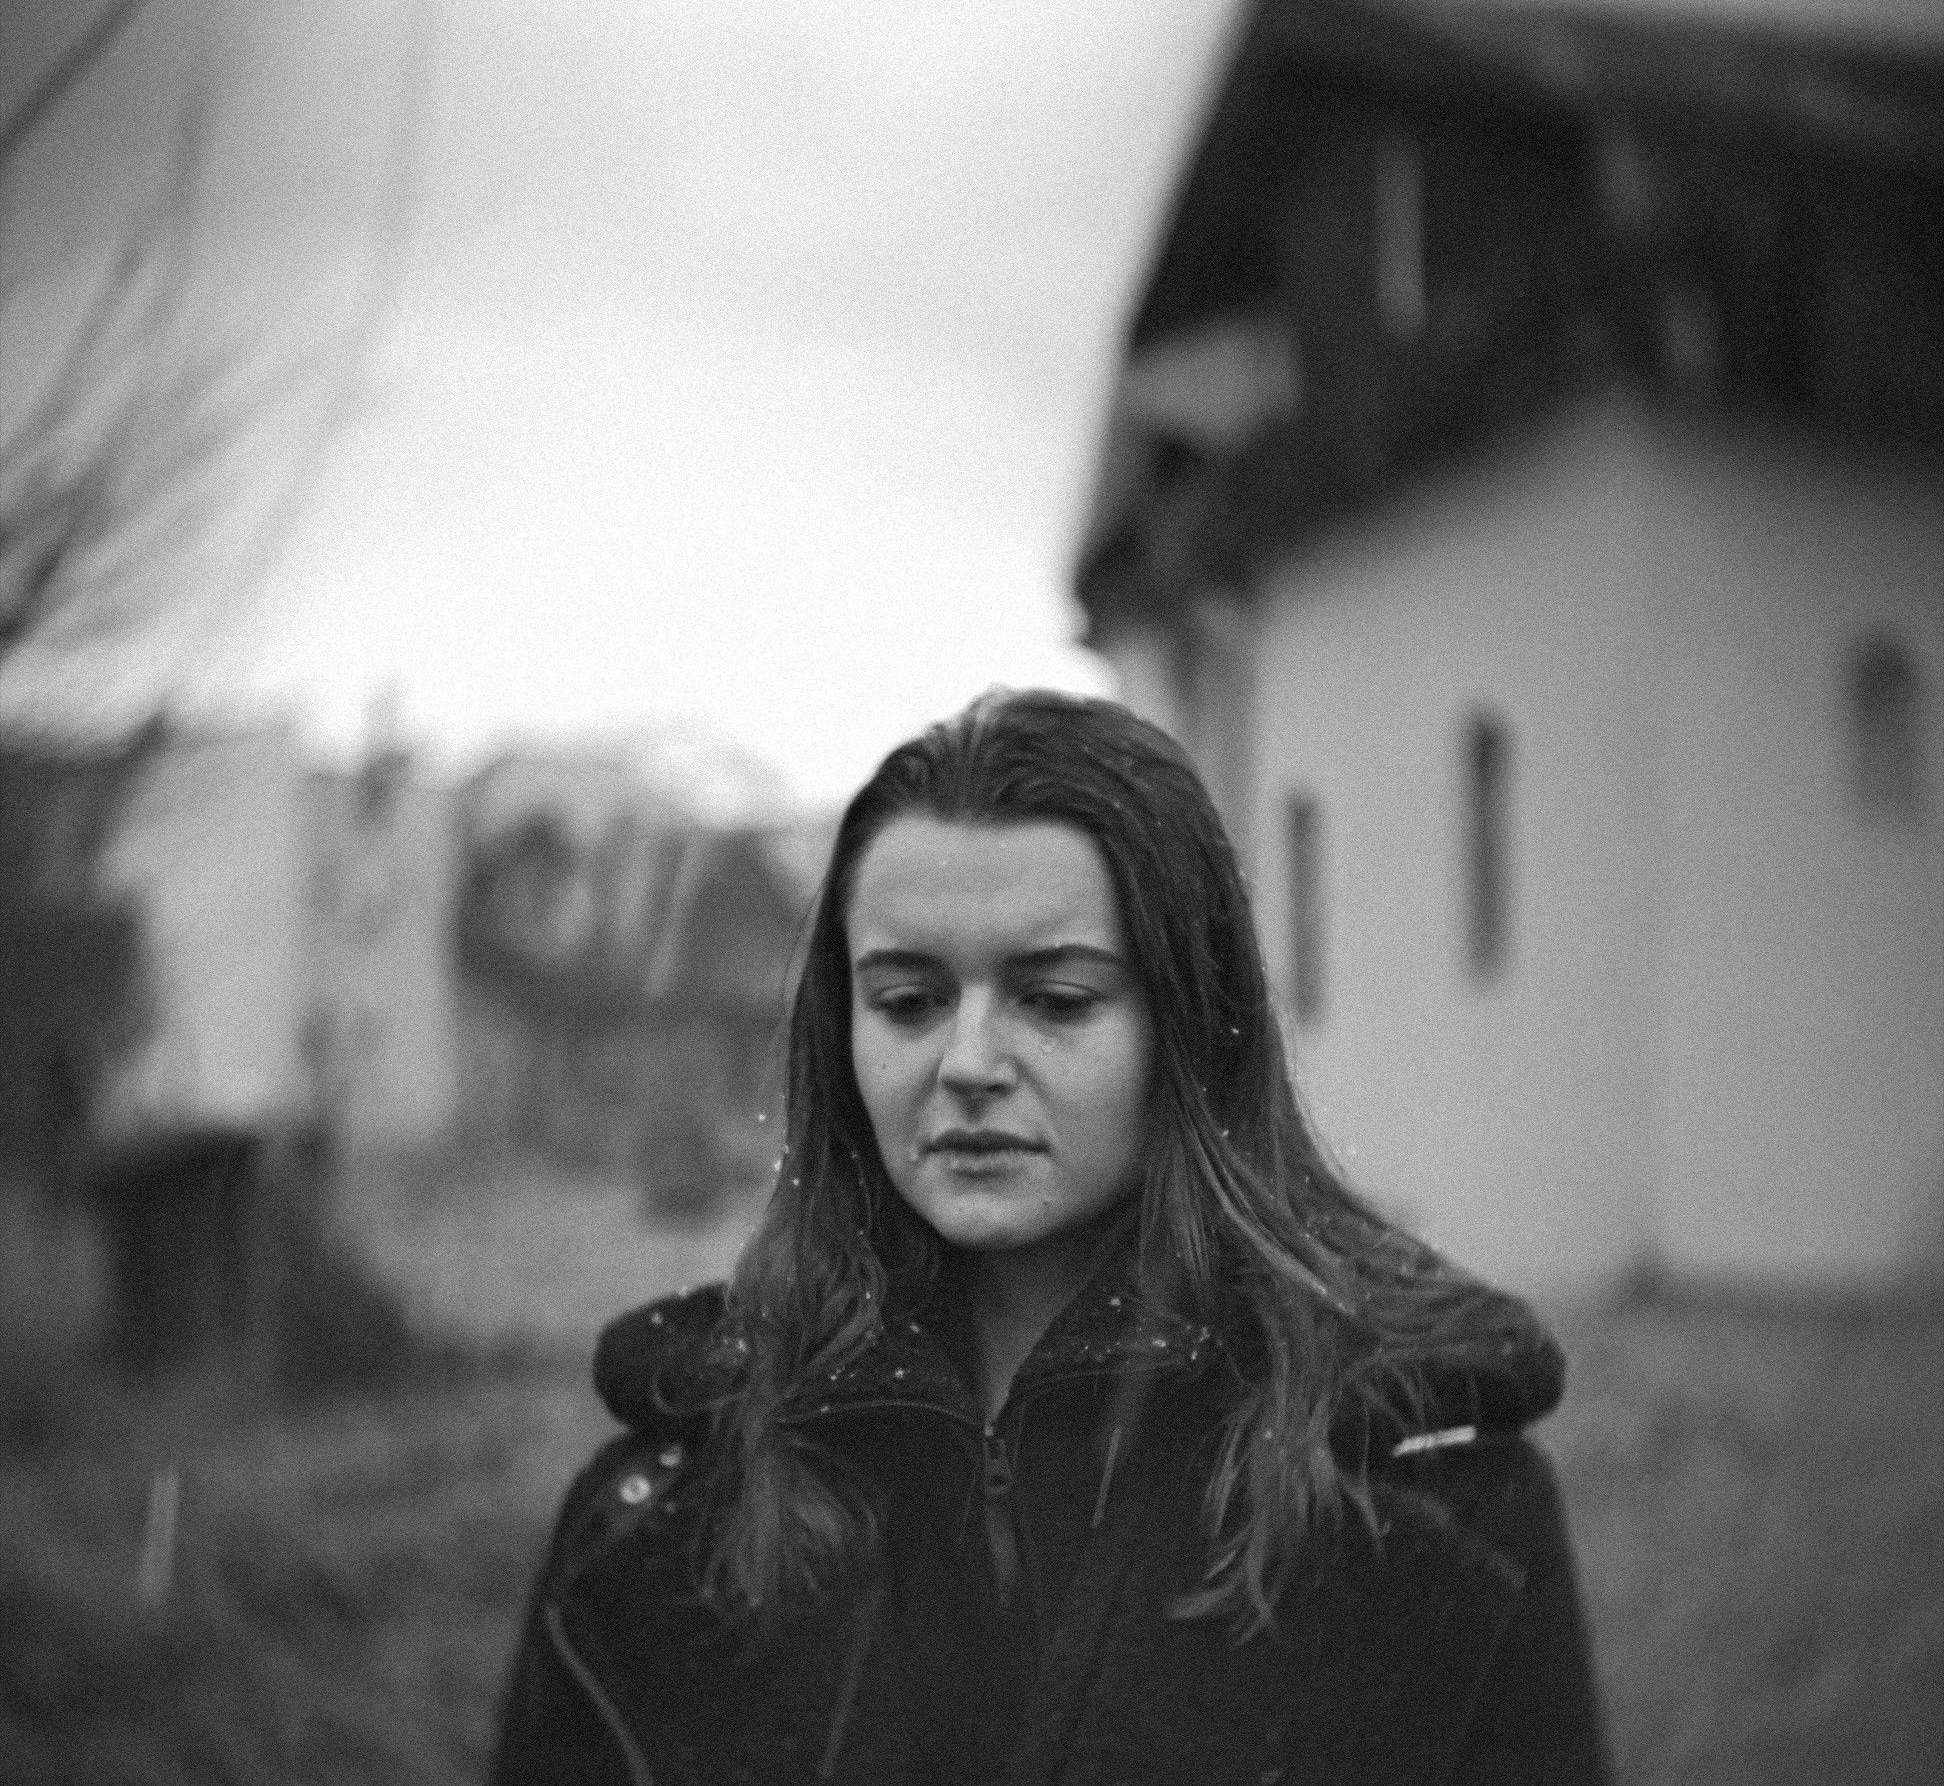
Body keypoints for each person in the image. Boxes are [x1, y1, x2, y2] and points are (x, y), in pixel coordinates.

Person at [491, 688, 1613, 1785]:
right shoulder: (664, 1506)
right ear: (841, 1034)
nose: (969, 1063)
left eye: (1057, 999)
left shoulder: (1427, 1489)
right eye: (909, 1002)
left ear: (1188, 1029)